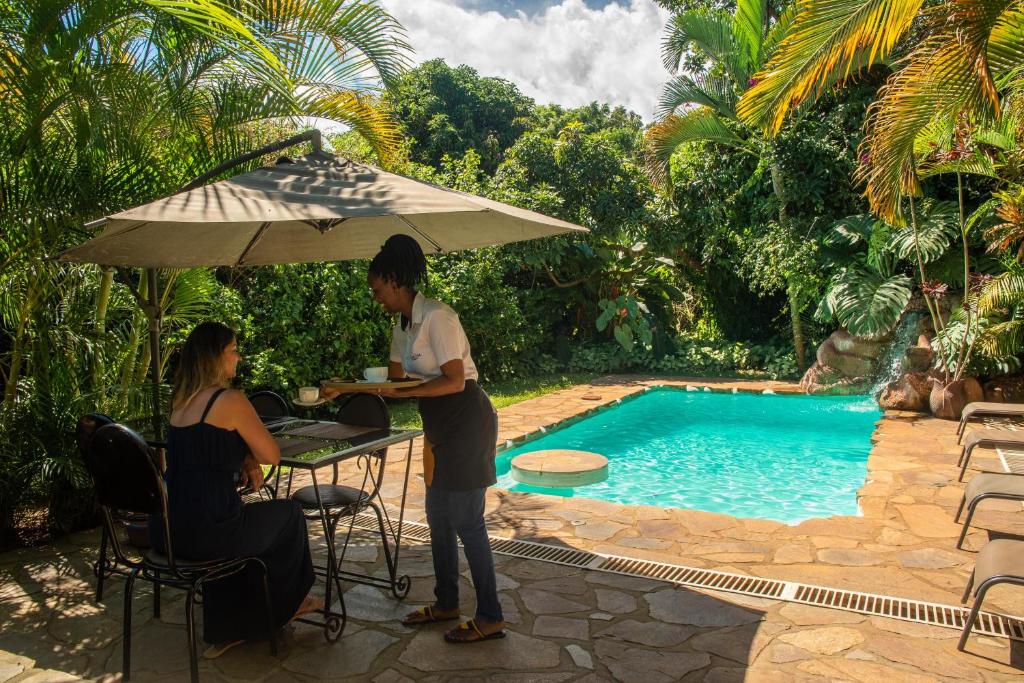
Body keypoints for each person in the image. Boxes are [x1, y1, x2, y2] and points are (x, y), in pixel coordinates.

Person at [324, 234, 504, 643]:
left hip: (468, 420)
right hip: (439, 424)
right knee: (438, 518)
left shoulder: (437, 318)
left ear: (395, 280)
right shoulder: (402, 327)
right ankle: (446, 603)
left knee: (467, 522)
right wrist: (346, 387)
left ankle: (491, 615)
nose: (376, 298)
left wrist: (407, 392)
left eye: (377, 289)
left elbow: (456, 381)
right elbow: (392, 385)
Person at [153, 321, 320, 657]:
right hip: (211, 533)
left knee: (246, 523)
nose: (238, 357)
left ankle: (231, 626)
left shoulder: (180, 401)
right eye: (233, 350)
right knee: (288, 514)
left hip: (168, 530)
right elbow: (271, 454)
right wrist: (253, 456)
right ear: (215, 357)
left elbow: (207, 449)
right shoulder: (229, 400)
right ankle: (289, 603)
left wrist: (243, 457)